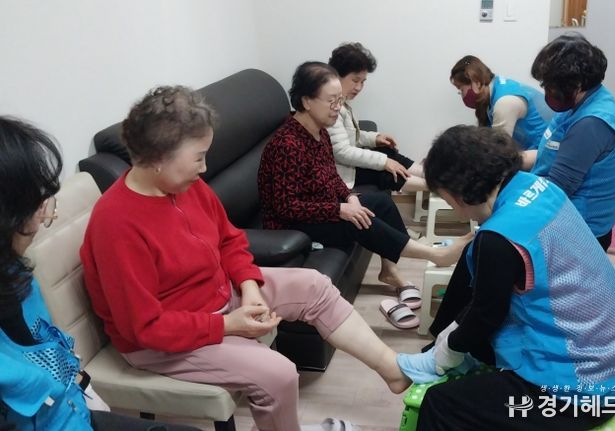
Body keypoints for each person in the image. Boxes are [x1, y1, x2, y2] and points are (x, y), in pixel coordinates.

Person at [79, 86, 414, 431]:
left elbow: (229, 239)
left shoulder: (185, 186)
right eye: (198, 157)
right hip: (163, 343)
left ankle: (394, 370)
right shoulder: (117, 225)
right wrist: (228, 325)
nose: (204, 168)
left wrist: (249, 286)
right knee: (278, 373)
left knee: (314, 285)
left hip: (219, 297)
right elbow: (144, 327)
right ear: (159, 157)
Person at [401, 125, 615, 430]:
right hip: (607, 359)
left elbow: (486, 314)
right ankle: (442, 354)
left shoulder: (498, 238)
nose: (455, 211)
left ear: (460, 193)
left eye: (448, 200)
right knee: (473, 286)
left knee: (440, 403)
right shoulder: (538, 187)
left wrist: (447, 349)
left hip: (579, 392)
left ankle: (439, 358)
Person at [0, 117, 200, 431]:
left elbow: (48, 347)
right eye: (35, 206)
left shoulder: (15, 272)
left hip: (74, 412)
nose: (43, 218)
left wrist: (85, 388)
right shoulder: (117, 220)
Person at [258, 61, 470, 316]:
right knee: (356, 221)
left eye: (340, 101)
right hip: (293, 223)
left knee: (379, 202)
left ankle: (390, 271)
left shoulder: (319, 132)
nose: (338, 108)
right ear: (306, 101)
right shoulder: (287, 145)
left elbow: (330, 175)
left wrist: (349, 197)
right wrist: (339, 210)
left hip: (322, 207)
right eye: (331, 101)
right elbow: (285, 207)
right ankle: (436, 256)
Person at [525, 33, 615, 250]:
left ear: (578, 84)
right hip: (564, 210)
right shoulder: (581, 100)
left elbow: (557, 189)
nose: (546, 91)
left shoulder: (591, 123)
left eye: (550, 85)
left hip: (581, 229)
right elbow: (553, 153)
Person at [327, 42, 427, 192]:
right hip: (341, 172)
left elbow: (349, 135)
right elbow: (342, 152)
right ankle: (437, 186)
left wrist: (375, 138)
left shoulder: (342, 102)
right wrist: (384, 162)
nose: (359, 87)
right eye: (355, 81)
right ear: (336, 76)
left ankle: (433, 176)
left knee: (387, 152)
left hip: (347, 164)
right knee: (384, 170)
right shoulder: (330, 107)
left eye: (363, 82)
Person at [450, 55, 551, 150]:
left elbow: (498, 152)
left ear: (477, 82)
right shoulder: (495, 88)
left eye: (461, 89)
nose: (461, 94)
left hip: (543, 155)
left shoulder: (504, 102)